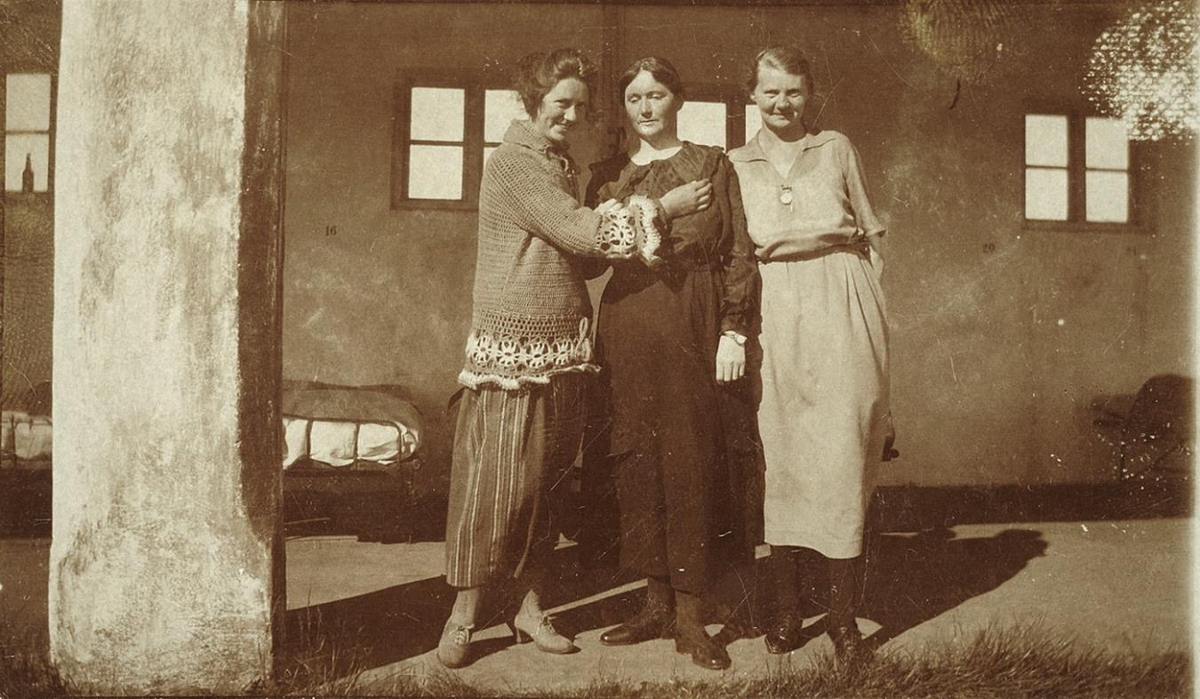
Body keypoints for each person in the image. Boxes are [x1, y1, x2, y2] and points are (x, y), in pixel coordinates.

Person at [437, 47, 712, 669]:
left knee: (548, 490)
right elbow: (586, 234)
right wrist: (662, 208)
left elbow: (582, 254)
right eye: (561, 103)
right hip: (513, 352)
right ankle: (463, 616)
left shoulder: (557, 164)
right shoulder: (515, 163)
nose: (571, 115)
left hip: (564, 347)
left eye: (581, 107)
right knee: (496, 489)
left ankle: (529, 608)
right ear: (532, 101)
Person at [584, 56, 758, 671]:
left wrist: (733, 328)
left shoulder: (712, 163)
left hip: (694, 315)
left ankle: (690, 616)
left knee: (689, 457)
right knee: (636, 457)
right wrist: (661, 207)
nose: (646, 107)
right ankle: (653, 605)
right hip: (630, 320)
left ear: (678, 99)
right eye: (634, 98)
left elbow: (738, 250)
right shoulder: (607, 176)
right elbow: (592, 254)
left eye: (656, 95)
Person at [727, 45, 894, 663]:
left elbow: (871, 237)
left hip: (841, 296)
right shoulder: (733, 163)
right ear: (752, 94)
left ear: (810, 94)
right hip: (774, 308)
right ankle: (786, 612)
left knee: (843, 455)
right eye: (770, 91)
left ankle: (843, 621)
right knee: (783, 459)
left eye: (794, 90)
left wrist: (869, 310)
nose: (782, 102)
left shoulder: (836, 148)